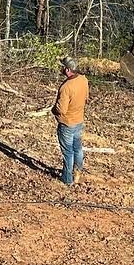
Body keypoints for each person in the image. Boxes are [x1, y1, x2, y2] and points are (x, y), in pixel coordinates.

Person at [52, 56, 89, 185]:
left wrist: (53, 109)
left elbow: (61, 109)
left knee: (68, 152)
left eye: (62, 67)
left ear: (68, 69)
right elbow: (86, 98)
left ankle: (67, 179)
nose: (61, 68)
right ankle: (77, 172)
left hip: (67, 123)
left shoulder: (66, 87)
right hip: (79, 120)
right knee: (78, 148)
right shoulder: (83, 80)